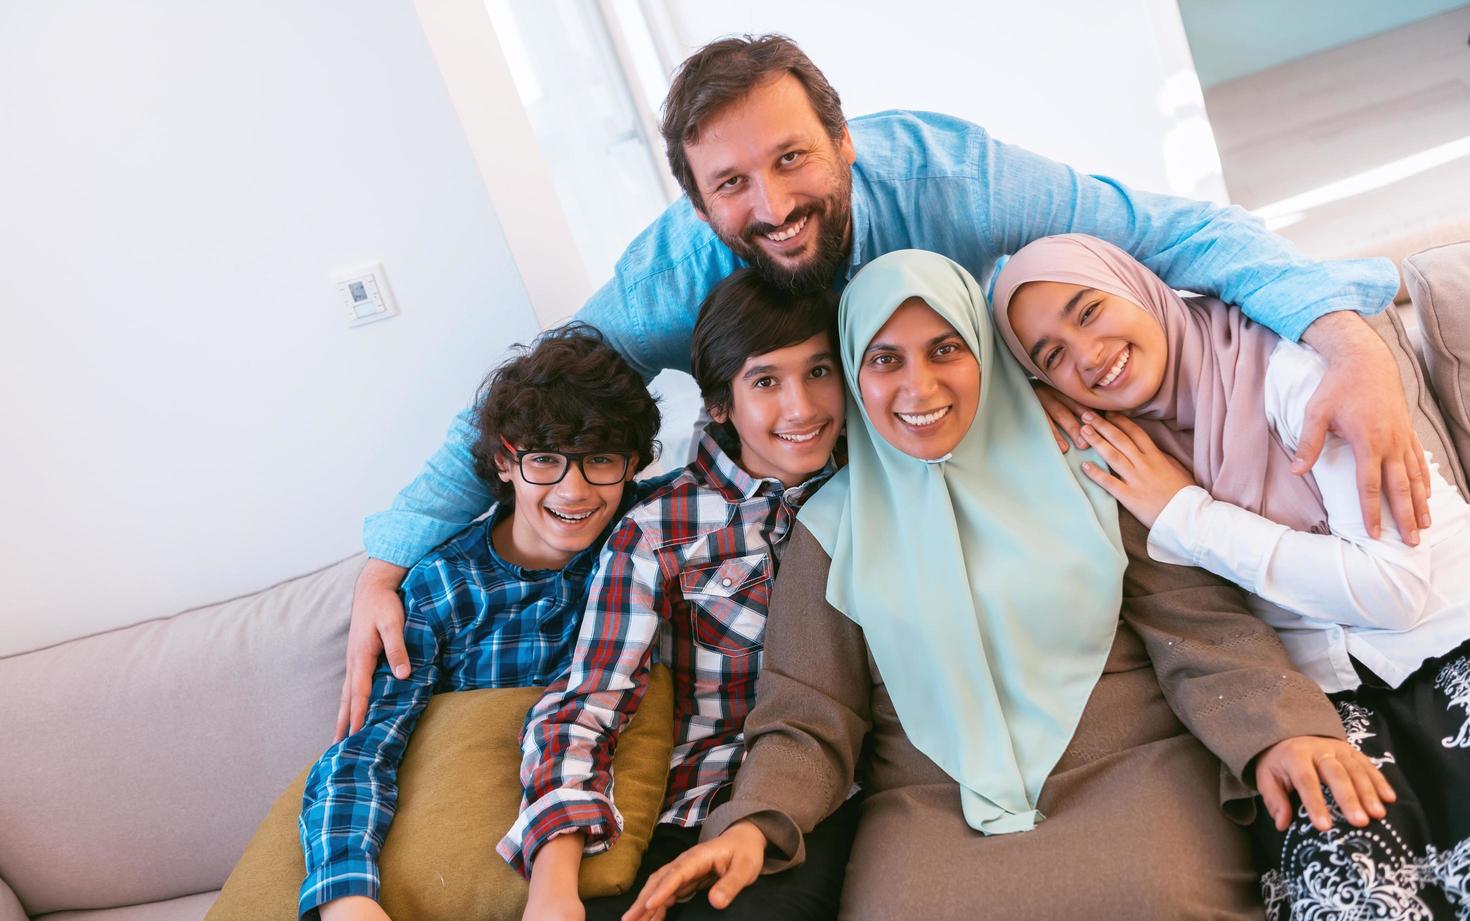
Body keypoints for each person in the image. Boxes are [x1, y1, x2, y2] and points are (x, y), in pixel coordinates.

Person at [339, 35, 1430, 736]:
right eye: (730, 185)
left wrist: (1347, 340)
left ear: (844, 142)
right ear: (696, 203)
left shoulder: (951, 177)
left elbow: (1166, 228)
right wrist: (388, 556)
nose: (770, 203)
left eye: (791, 160)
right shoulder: (672, 273)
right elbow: (545, 391)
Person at [619, 250, 1392, 921]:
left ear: (986, 353)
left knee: (1158, 919)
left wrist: (1282, 730)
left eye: (945, 350)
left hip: (1129, 767)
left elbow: (1199, 627)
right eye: (885, 360)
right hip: (929, 802)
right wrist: (756, 821)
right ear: (856, 376)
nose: (918, 387)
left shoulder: (1093, 464)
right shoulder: (829, 528)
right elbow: (807, 716)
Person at [991, 233, 1470, 921]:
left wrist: (1185, 515)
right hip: (1331, 698)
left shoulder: (1287, 370)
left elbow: (1394, 595)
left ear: (1142, 287)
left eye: (1090, 311)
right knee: (1346, 891)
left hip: (1451, 639)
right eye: (1050, 356)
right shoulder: (1126, 451)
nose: (1087, 355)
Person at [495, 269, 859, 921]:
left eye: (819, 371)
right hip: (673, 804)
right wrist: (553, 876)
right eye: (766, 382)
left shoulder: (876, 493)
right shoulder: (657, 529)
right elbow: (587, 703)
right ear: (720, 404)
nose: (803, 405)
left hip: (811, 799)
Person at [285, 327, 661, 921]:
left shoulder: (643, 545)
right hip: (422, 846)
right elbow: (365, 746)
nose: (573, 491)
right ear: (507, 460)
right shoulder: (441, 584)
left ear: (632, 462)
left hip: (540, 857)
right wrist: (347, 899)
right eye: (546, 459)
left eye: (600, 459)